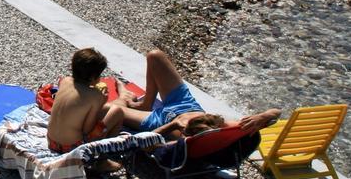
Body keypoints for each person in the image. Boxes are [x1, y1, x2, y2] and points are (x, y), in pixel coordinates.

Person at [104, 48, 281, 140]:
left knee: (109, 109)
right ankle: (146, 103)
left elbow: (149, 146)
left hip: (159, 120)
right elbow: (276, 113)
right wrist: (264, 115)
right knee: (155, 56)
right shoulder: (225, 126)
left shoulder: (185, 140)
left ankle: (124, 98)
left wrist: (173, 125)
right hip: (184, 103)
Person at [47, 47, 123, 154]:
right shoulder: (95, 95)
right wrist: (101, 101)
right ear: (93, 77)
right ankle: (104, 158)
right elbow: (87, 129)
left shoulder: (65, 81)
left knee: (107, 108)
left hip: (52, 141)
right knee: (117, 112)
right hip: (71, 147)